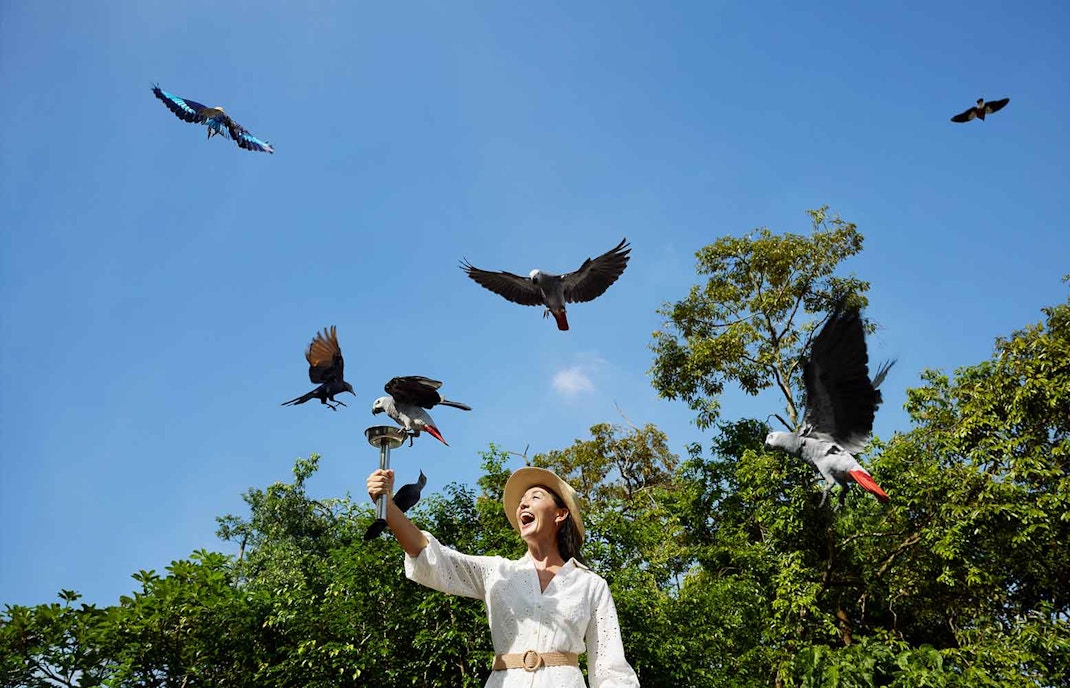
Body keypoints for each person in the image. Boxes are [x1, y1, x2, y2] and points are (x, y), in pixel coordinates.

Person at [366, 466, 641, 687]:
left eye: (535, 497)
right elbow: (433, 558)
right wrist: (388, 507)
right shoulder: (497, 572)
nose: (523, 505)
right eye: (521, 502)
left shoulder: (590, 585)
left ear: (560, 513)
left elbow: (610, 669)